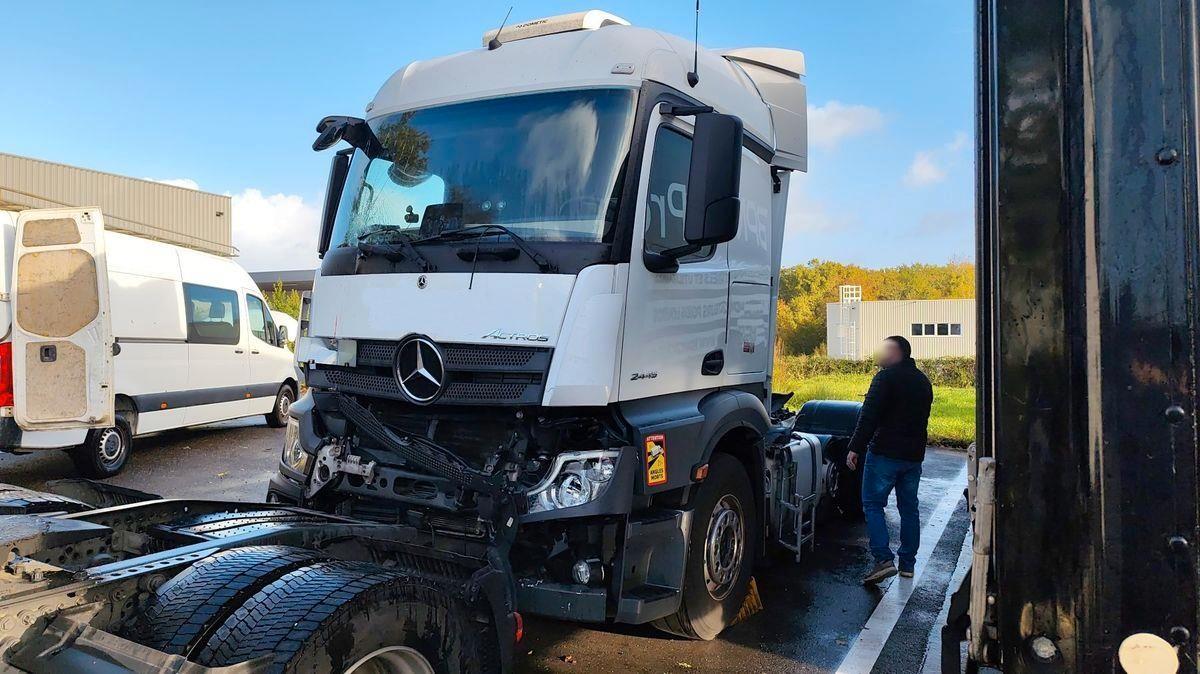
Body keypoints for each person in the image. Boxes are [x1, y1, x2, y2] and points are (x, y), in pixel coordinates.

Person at [845, 335, 933, 585]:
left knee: (873, 505)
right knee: (909, 509)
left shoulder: (885, 378)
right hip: (913, 457)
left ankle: (883, 560)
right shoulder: (923, 381)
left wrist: (854, 448)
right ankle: (907, 565)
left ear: (897, 353)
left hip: (884, 453)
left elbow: (868, 416)